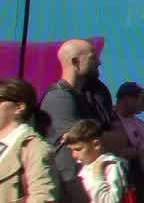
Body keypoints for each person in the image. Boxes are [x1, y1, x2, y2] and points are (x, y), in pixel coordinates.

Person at [41, 41, 126, 183]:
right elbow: (84, 142)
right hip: (71, 184)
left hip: (97, 183)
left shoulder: (97, 94)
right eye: (93, 58)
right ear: (75, 62)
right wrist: (106, 139)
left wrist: (103, 139)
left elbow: (121, 139)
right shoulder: (59, 98)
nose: (99, 62)